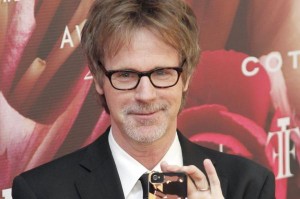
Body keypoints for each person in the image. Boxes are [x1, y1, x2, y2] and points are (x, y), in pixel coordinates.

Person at [12, 0, 275, 198]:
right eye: (126, 75)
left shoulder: (248, 185)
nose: (145, 95)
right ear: (99, 79)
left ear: (187, 77)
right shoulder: (40, 192)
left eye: (162, 73)